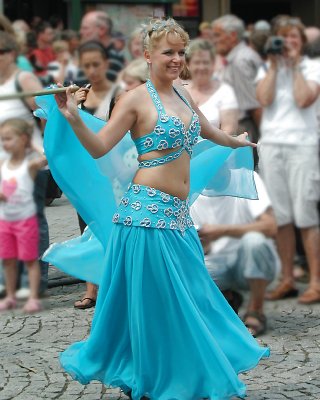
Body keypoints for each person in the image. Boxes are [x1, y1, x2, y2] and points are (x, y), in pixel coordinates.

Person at [50, 18, 268, 400]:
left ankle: (182, 374)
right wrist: (71, 116)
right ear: (147, 55)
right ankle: (153, 381)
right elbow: (101, 147)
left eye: (180, 52)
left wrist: (236, 141)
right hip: (145, 218)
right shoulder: (135, 98)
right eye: (168, 52)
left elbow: (207, 131)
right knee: (159, 304)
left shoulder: (183, 95)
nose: (176, 59)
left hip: (178, 218)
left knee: (193, 297)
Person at [256, 18, 320, 304]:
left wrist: (294, 67)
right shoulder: (266, 67)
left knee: (306, 215)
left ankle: (316, 281)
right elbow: (263, 99)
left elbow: (304, 98)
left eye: (293, 37)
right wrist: (273, 66)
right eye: (282, 38)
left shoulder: (313, 67)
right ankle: (287, 279)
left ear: (301, 41)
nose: (288, 43)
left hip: (302, 145)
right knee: (280, 216)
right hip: (272, 144)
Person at [191, 172, 280, 337]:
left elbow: (270, 226)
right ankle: (229, 298)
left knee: (254, 241)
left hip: (247, 260)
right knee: (188, 270)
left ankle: (256, 310)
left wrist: (223, 231)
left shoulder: (246, 178)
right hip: (214, 261)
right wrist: (201, 242)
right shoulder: (190, 186)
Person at [0, 31, 50, 299]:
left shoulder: (23, 79)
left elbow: (45, 111)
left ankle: (34, 280)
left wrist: (44, 148)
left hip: (28, 164)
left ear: (10, 54)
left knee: (31, 220)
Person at [72, 40, 119, 310]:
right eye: (86, 65)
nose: (91, 70)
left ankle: (110, 284)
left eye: (96, 64)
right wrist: (71, 109)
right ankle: (92, 286)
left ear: (106, 63)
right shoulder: (80, 95)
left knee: (108, 226)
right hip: (85, 173)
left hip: (112, 172)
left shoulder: (118, 95)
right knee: (87, 226)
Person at [0, 119, 47, 313]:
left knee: (30, 259)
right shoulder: (3, 163)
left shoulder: (29, 165)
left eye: (8, 139)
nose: (4, 143)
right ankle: (10, 296)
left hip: (26, 221)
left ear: (23, 139)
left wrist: (32, 144)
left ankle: (33, 297)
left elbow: (46, 157)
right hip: (5, 221)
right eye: (2, 139)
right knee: (8, 259)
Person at [212, 14, 263, 164]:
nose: (214, 40)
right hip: (239, 127)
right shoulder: (237, 57)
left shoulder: (240, 61)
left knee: (242, 176)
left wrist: (266, 137)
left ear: (232, 36)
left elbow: (254, 105)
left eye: (217, 35)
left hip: (244, 128)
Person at [185, 38, 238, 134]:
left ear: (213, 64)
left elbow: (229, 132)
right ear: (188, 65)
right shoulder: (180, 91)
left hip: (214, 148)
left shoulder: (225, 92)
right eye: (197, 62)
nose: (201, 67)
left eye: (206, 62)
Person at [79, 10, 125, 83]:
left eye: (85, 28)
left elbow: (104, 91)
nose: (81, 32)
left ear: (102, 30)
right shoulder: (85, 54)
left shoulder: (114, 58)